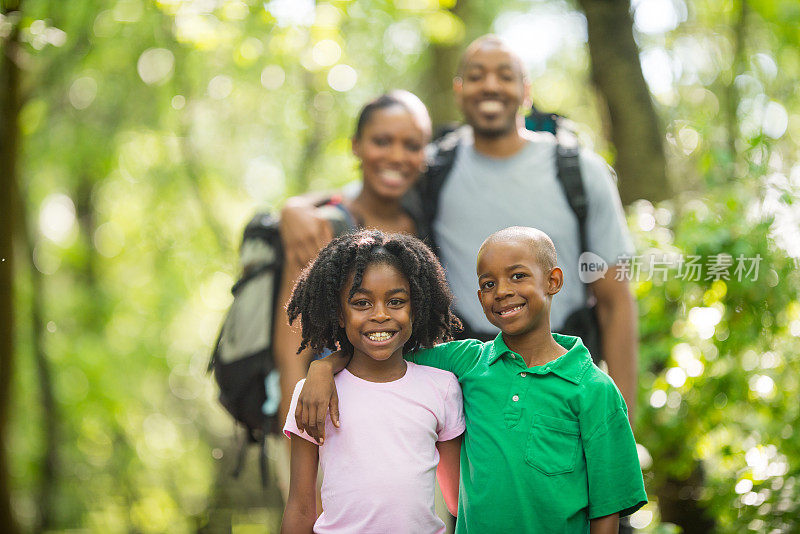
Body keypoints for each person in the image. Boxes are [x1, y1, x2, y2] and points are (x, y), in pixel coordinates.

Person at [279, 35, 639, 425]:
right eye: (476, 75)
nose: (490, 85)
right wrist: (295, 208)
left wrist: (624, 425)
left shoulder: (579, 171)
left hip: (564, 381)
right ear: (458, 89)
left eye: (504, 75)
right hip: (467, 384)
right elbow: (367, 193)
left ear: (526, 90)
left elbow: (616, 301)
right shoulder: (434, 166)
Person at [296, 226, 647, 533]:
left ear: (553, 281)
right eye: (488, 284)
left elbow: (608, 508)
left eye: (518, 276)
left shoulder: (595, 389)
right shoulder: (464, 362)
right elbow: (382, 347)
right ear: (480, 298)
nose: (502, 291)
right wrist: (323, 367)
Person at [280, 230, 465, 533]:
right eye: (362, 303)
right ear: (339, 314)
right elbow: (300, 507)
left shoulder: (442, 388)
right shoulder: (313, 393)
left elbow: (459, 501)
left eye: (396, 301)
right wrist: (321, 369)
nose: (380, 315)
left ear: (415, 309)